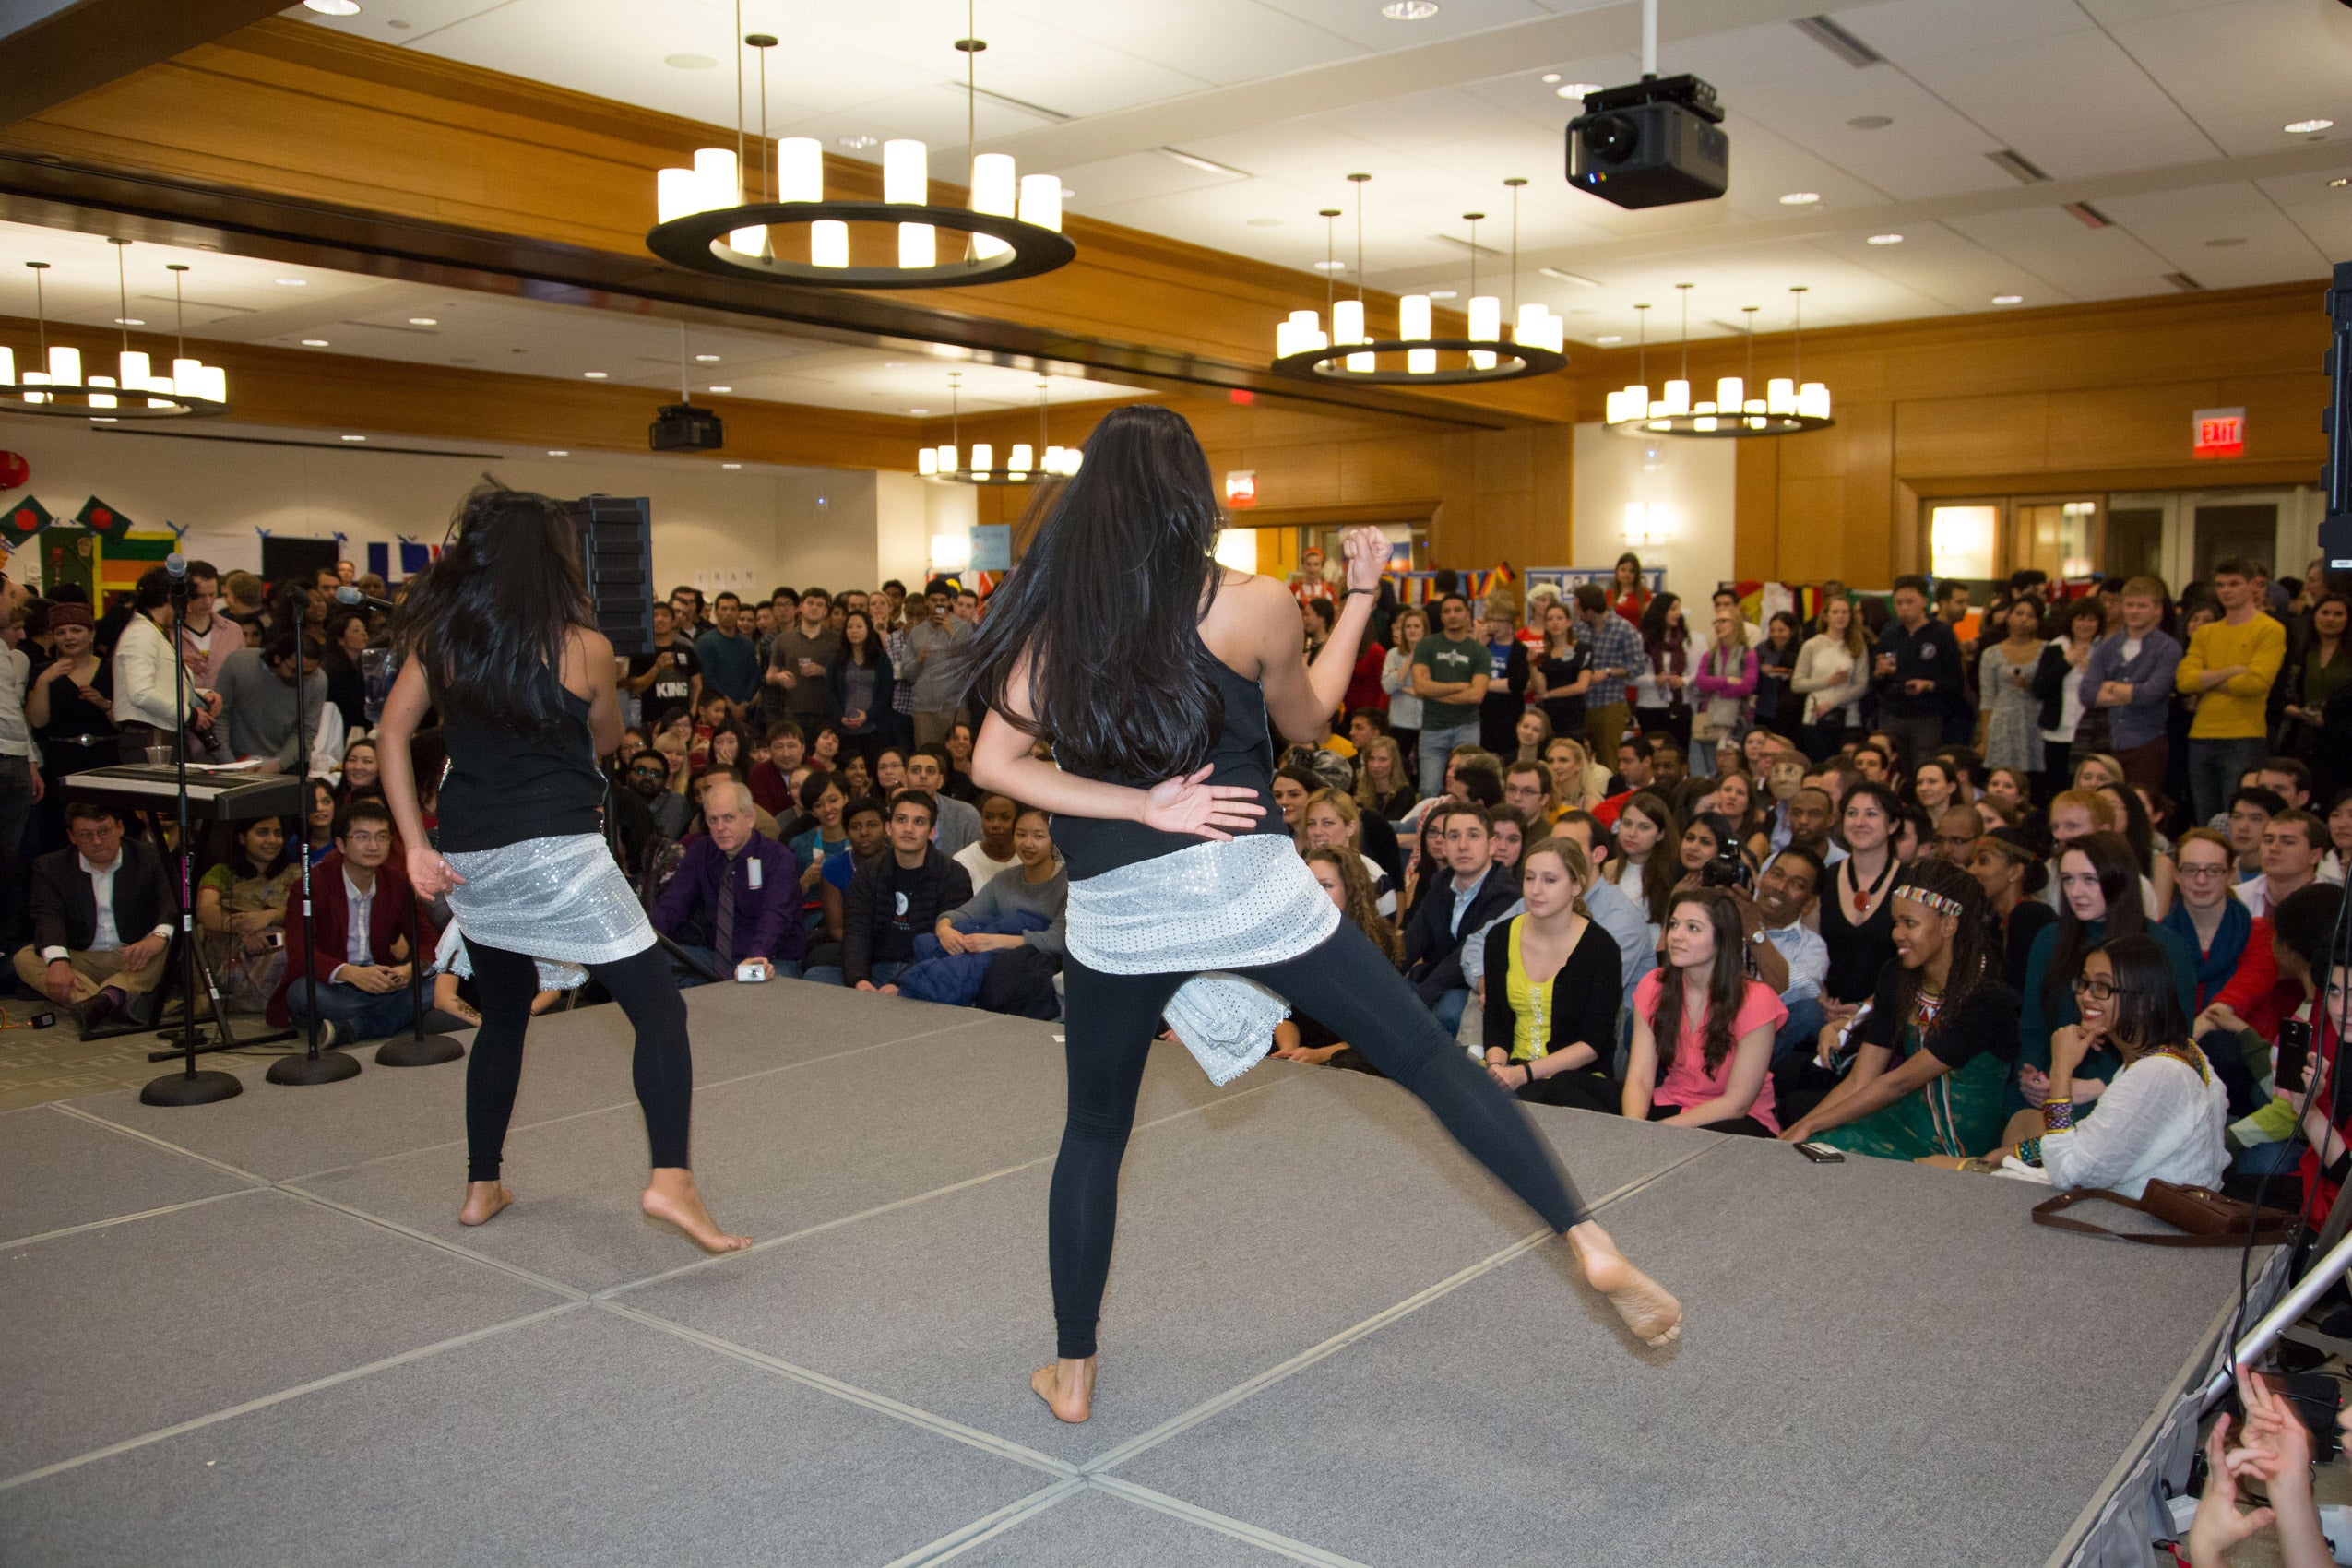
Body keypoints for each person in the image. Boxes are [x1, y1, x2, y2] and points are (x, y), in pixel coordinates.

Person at [960, 409, 1679, 1421]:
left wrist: (1135, 804)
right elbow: (1309, 721)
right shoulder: (1251, 603)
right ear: (1192, 495)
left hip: (1124, 911)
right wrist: (1360, 594)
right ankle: (1586, 1236)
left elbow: (995, 766)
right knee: (1427, 1063)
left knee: (1093, 1131)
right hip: (1248, 883)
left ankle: (1073, 1371)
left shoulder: (1056, 620)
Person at [378, 487, 746, 1253]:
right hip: (557, 852)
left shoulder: (442, 638)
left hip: (472, 856)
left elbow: (390, 735)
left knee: (505, 1012)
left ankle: (483, 1184)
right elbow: (608, 736)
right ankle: (671, 1178)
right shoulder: (582, 644)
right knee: (658, 1009)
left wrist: (415, 844)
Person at [1776, 858, 2022, 1159]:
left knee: (1825, 1152)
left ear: (1948, 925)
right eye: (1896, 923)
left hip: (1952, 1146)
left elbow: (1901, 1082)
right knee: (1807, 1149)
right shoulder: (1897, 975)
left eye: (1910, 923)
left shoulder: (1988, 999)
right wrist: (1800, 1130)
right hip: (1897, 1120)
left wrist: (1811, 1124)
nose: (1897, 934)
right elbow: (1860, 1079)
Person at [1994, 934, 2227, 1194]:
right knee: (2022, 1124)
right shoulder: (2182, 1050)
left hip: (2140, 1221)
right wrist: (2010, 1154)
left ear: (2146, 1000)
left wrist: (2061, 1067)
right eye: (2084, 983)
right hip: (2149, 1209)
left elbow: (2068, 1176)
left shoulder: (2156, 1072)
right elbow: (2098, 1136)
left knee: (1947, 1165)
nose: (2085, 997)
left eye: (2102, 987)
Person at [2016, 831, 2198, 1117]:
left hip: (2132, 1086)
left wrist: (2102, 1084)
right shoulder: (2049, 938)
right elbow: (2033, 1025)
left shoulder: (2163, 945)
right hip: (2055, 1075)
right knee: (2017, 1118)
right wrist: (2033, 1075)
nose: (2076, 892)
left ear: (2118, 879)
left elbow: (2176, 1039)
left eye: (2090, 879)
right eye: (2068, 879)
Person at [266, 798, 459, 1044]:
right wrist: (351, 974)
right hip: (336, 984)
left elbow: (429, 941)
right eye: (362, 837)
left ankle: (355, 1028)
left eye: (381, 837)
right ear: (341, 844)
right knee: (303, 993)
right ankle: (394, 1016)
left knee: (438, 986)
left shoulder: (397, 883)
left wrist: (409, 970)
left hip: (383, 980)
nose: (373, 845)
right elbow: (299, 951)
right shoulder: (312, 885)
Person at [1624, 887, 1785, 1134]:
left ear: (1722, 939)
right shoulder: (1655, 984)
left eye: (1693, 928)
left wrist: (1656, 1133)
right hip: (1674, 1103)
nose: (1676, 935)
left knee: (1728, 1133)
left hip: (1733, 1119)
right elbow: (1640, 1078)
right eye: (1674, 924)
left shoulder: (1756, 999)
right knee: (1566, 1086)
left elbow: (1736, 1104)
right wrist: (1633, 1130)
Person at [1479, 838, 1622, 1111]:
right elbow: (1496, 1020)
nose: (1535, 890)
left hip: (1575, 1079)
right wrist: (1497, 1067)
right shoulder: (1499, 938)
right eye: (1529, 878)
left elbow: (1595, 1042)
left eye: (1550, 880)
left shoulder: (1601, 949)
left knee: (1548, 1095)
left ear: (1577, 886)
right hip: (1513, 1069)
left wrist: (1525, 1074)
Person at [16, 800, 172, 1030]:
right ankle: (111, 1000)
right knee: (25, 957)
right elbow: (48, 916)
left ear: (120, 827)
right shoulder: (50, 867)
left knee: (174, 941)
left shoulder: (150, 856)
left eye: (104, 831)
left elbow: (172, 903)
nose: (97, 842)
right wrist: (58, 962)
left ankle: (100, 1002)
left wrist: (157, 938)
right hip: (82, 956)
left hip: (135, 953)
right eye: (86, 835)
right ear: (71, 836)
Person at [810, 789, 973, 990]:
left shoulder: (953, 875)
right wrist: (859, 980)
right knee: (816, 976)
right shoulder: (869, 872)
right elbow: (856, 932)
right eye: (901, 820)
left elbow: (944, 944)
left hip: (926, 970)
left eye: (919, 822)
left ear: (932, 832)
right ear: (889, 827)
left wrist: (900, 984)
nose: (908, 829)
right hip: (876, 966)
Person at [650, 778, 804, 985]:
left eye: (728, 818)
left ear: (749, 818)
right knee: (644, 968)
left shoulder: (779, 858)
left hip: (771, 959)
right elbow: (672, 906)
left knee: (757, 989)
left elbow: (775, 917)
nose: (720, 827)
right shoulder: (700, 852)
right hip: (714, 958)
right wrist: (643, 941)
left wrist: (756, 957)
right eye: (713, 820)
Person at [2178, 558, 2289, 826]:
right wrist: (2231, 671)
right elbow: (2184, 681)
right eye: (2220, 585)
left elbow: (2256, 683)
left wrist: (2207, 680)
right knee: (2207, 820)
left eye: (2234, 584)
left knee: (2239, 819)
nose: (2226, 590)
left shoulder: (2269, 629)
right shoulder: (2206, 633)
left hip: (2244, 735)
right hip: (2201, 734)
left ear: (2253, 586)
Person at [25, 601, 117, 852]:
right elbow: (37, 721)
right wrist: (44, 682)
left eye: (76, 630)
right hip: (61, 761)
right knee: (59, 832)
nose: (69, 637)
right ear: (53, 637)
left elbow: (124, 722)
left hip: (105, 759)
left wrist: (103, 703)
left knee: (104, 824)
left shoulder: (111, 668)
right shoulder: (42, 671)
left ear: (91, 634)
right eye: (61, 632)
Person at [2083, 576, 2183, 789]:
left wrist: (2110, 686)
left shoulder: (2168, 648)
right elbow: (2087, 694)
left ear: (2157, 609)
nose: (2134, 611)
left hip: (2147, 742)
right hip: (2108, 742)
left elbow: (2152, 694)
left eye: (2142, 606)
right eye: (2129, 605)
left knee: (2141, 805)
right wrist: (2133, 691)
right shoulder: (2107, 646)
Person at [937, 804, 1067, 962]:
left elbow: (1059, 939)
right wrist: (943, 929)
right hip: (997, 960)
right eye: (1021, 835)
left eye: (1038, 836)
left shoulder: (1070, 884)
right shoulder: (1004, 879)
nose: (1027, 844)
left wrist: (996, 941)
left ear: (1055, 840)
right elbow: (964, 913)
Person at [111, 566, 215, 762]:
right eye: (187, 601)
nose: (189, 609)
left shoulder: (152, 632)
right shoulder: (141, 633)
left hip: (160, 737)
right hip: (151, 739)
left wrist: (201, 695)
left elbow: (160, 685)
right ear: (171, 598)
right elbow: (140, 693)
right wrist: (190, 714)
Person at [195, 814, 295, 1014]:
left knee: (286, 944)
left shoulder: (297, 873)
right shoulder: (221, 873)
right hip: (231, 943)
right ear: (242, 838)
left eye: (278, 833)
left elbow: (308, 912)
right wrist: (244, 928)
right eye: (262, 832)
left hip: (280, 940)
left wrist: (270, 916)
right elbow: (206, 911)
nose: (272, 840)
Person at [1819, 782, 1904, 1010]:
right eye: (1852, 813)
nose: (1859, 823)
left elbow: (1912, 964)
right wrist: (1821, 996)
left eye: (1871, 814)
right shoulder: (1827, 876)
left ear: (1893, 824)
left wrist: (1866, 1008)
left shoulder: (1910, 882)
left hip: (1887, 1010)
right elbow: (1812, 945)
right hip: (1829, 1008)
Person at [1872, 576, 1963, 771]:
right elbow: (1878, 684)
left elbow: (1956, 682)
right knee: (1891, 767)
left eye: (1910, 602)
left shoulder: (1941, 633)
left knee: (1924, 768)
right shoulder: (1889, 634)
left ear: (1924, 601)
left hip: (1927, 715)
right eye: (1899, 603)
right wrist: (1879, 674)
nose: (1904, 608)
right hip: (1893, 713)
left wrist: (1928, 684)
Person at [212, 628, 331, 772]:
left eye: (308, 674)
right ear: (277, 658)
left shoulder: (318, 681)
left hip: (287, 763)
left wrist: (276, 765)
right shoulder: (238, 664)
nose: (302, 679)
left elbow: (305, 731)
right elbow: (219, 717)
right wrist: (229, 766)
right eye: (295, 671)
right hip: (236, 759)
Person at [1409, 593, 1489, 799]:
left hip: (1467, 727)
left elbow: (1476, 695)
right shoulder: (1427, 645)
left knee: (1466, 790)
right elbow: (1420, 687)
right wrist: (1460, 686)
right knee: (1429, 791)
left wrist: (1434, 692)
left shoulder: (1479, 652)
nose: (1452, 615)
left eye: (1457, 610)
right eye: (1446, 611)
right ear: (1441, 616)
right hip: (1432, 728)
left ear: (1467, 614)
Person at [2032, 597, 2106, 803]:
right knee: (2057, 787)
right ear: (2071, 621)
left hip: (2092, 731)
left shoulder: (2104, 651)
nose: (2086, 625)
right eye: (2081, 619)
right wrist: (2066, 662)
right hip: (2058, 731)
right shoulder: (2055, 648)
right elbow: (2039, 688)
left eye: (2092, 620)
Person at [1968, 826, 2056, 993]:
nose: (1972, 871)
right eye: (1972, 862)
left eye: (1983, 861)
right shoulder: (1994, 922)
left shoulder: (2031, 916)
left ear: (2015, 871)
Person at [1574, 583, 1648, 770]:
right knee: (1580, 759)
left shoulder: (1624, 629)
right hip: (1581, 703)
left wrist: (1608, 672)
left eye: (1578, 607)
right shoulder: (1579, 629)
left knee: (1609, 759)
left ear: (1589, 611)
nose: (1575, 612)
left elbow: (1638, 665)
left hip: (1610, 702)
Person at [1792, 594, 1870, 763]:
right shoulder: (1812, 645)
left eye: (1845, 612)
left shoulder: (1858, 645)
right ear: (1826, 615)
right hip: (1815, 717)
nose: (1841, 616)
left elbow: (1862, 685)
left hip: (1848, 717)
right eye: (1835, 612)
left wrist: (1832, 703)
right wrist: (1828, 681)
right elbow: (1797, 683)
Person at [1977, 596, 2045, 780]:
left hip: (2036, 722)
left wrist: (2030, 686)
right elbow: (1987, 698)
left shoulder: (2048, 650)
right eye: (2019, 613)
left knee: (2035, 781)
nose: (2024, 619)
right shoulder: (1991, 654)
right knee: (2003, 778)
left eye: (2031, 615)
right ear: (2009, 617)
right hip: (2003, 723)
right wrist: (1985, 739)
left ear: (2038, 621)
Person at [1689, 604, 1756, 780]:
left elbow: (1748, 685)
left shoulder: (1748, 655)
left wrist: (1719, 690)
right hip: (1710, 719)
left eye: (1723, 621)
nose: (1718, 625)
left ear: (1736, 624)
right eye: (1716, 621)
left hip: (1738, 720)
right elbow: (1701, 682)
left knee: (1734, 769)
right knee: (1712, 768)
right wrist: (1727, 680)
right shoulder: (1709, 655)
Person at [905, 578, 971, 747]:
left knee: (956, 755)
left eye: (943, 601)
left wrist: (952, 634)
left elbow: (970, 667)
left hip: (954, 706)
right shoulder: (917, 631)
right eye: (934, 601)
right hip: (924, 708)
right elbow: (907, 674)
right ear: (927, 602)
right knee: (927, 755)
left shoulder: (963, 628)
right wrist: (918, 660)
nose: (938, 604)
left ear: (950, 602)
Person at [764, 585, 838, 732]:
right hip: (793, 712)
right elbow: (769, 676)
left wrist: (822, 671)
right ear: (801, 607)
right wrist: (779, 677)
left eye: (820, 604)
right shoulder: (783, 639)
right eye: (810, 603)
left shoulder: (837, 640)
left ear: (825, 611)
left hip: (827, 712)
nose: (814, 608)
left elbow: (846, 675)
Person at [827, 607, 894, 764]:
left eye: (859, 626)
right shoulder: (836, 659)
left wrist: (868, 715)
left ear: (868, 629)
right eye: (849, 627)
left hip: (874, 727)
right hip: (844, 727)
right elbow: (830, 691)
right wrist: (840, 716)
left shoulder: (880, 658)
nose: (854, 631)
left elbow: (886, 692)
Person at [2236, 809, 2329, 918]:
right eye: (2268, 840)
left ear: (2315, 856)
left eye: (2288, 842)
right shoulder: (2237, 898)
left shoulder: (2335, 904)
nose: (2273, 848)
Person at [1528, 596, 1591, 744]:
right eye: (1550, 619)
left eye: (1559, 618)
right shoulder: (1542, 653)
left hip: (1573, 714)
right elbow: (1540, 689)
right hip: (1548, 715)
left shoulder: (1583, 649)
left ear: (1569, 622)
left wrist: (1550, 694)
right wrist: (1531, 663)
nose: (1555, 622)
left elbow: (1581, 686)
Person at [1473, 600, 1531, 759]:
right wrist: (1478, 645)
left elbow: (1515, 684)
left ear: (1511, 623)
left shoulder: (1521, 651)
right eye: (1490, 620)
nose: (1494, 625)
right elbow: (1466, 674)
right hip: (1480, 717)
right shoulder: (1482, 646)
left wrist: (1481, 684)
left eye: (1499, 621)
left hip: (1507, 719)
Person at [908, 746, 982, 857]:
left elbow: (977, 860)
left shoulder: (966, 814)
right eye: (915, 770)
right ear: (905, 778)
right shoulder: (890, 814)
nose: (923, 776)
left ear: (940, 781)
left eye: (930, 771)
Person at [954, 791, 1022, 885]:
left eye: (1005, 818)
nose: (995, 825)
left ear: (1019, 820)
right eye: (988, 817)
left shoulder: (1028, 857)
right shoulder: (963, 862)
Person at [1355, 733, 1415, 821]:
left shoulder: (1405, 793)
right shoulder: (1361, 790)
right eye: (1372, 759)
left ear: (1394, 762)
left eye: (1382, 760)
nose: (1376, 765)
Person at [1608, 552, 1650, 625]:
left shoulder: (1645, 594)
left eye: (1632, 571)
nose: (1627, 574)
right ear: (1617, 571)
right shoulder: (1607, 595)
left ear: (1636, 574)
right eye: (1623, 569)